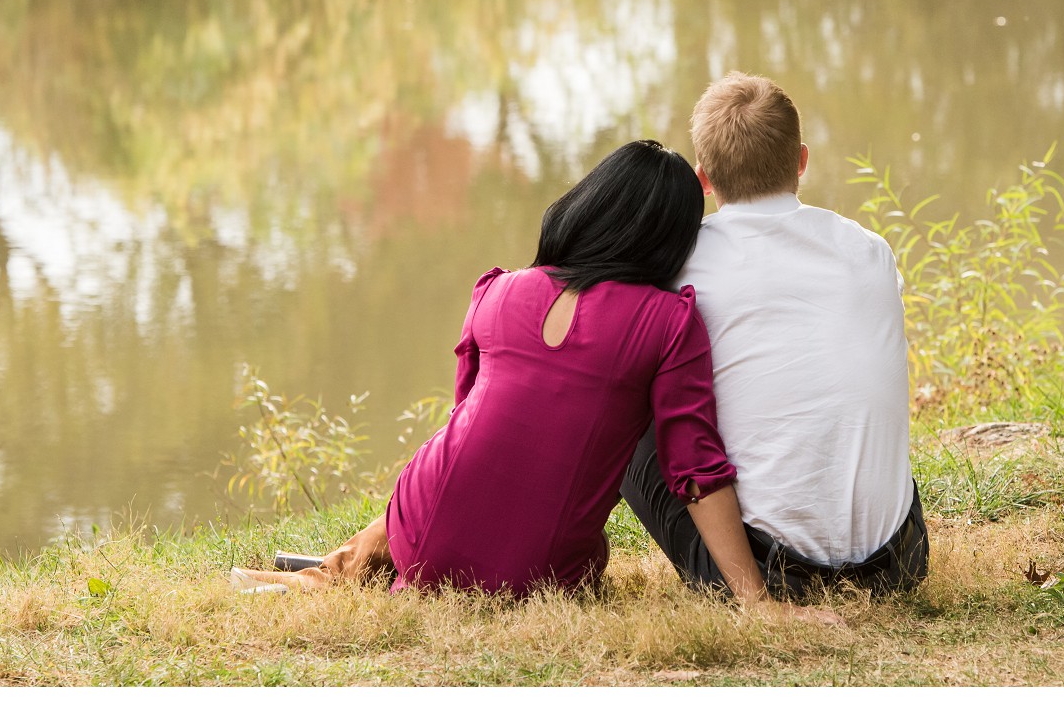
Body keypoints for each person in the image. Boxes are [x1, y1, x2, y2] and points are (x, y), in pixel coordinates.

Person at [230, 139, 796, 611]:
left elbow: (466, 423)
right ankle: (331, 571)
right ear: (674, 240)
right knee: (582, 550)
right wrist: (756, 601)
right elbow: (694, 466)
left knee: (441, 490)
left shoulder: (498, 289)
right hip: (539, 573)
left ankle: (328, 572)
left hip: (424, 523)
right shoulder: (669, 321)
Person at [618, 73, 928, 599]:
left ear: (703, 179)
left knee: (624, 390)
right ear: (801, 160)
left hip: (775, 573)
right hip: (897, 563)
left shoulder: (681, 263)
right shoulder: (871, 250)